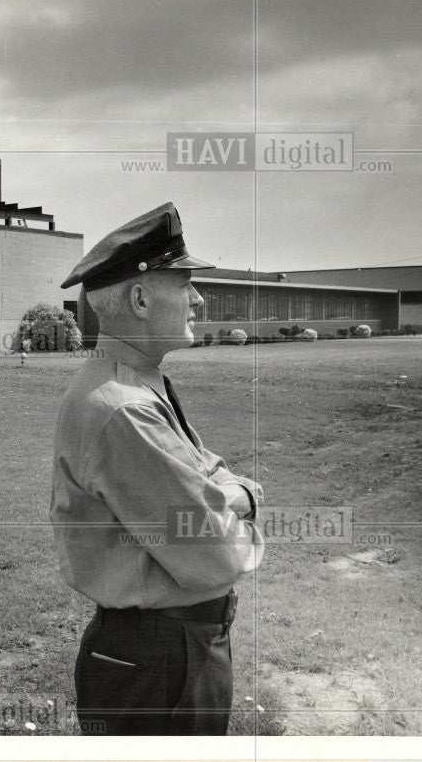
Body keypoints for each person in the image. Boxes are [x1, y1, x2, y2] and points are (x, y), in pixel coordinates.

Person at [50, 202, 264, 736]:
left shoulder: (136, 382)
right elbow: (216, 552)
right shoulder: (124, 406)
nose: (198, 297)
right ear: (141, 298)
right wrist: (238, 505)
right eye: (185, 281)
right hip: (160, 661)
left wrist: (225, 496)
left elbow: (208, 468)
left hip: (161, 653)